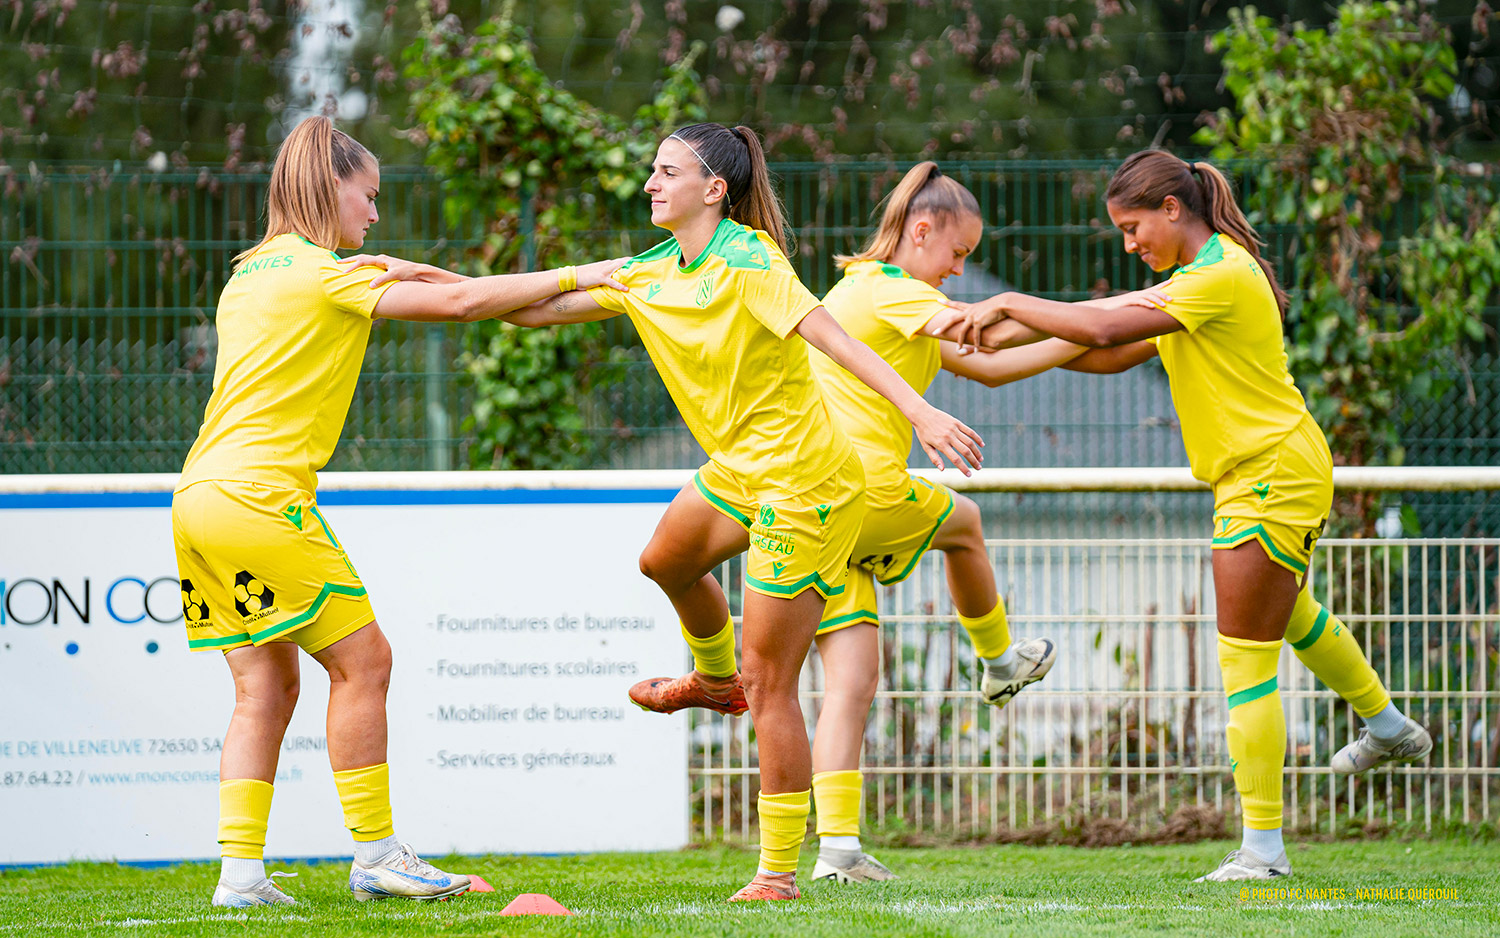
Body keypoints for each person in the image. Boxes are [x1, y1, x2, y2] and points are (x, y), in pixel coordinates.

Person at [368, 122, 984, 900]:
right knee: (665, 561)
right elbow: (531, 309)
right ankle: (715, 679)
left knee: (773, 683)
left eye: (666, 171)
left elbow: (833, 339)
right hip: (741, 469)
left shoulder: (751, 259)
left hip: (805, 484)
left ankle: (776, 874)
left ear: (714, 189)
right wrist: (419, 276)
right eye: (653, 170)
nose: (650, 184)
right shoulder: (652, 269)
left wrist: (921, 412)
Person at [173, 115, 627, 907]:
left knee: (263, 689)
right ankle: (378, 856)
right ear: (332, 186)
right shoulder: (324, 275)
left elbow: (449, 294)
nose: (375, 214)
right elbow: (464, 306)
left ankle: (239, 878)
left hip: (197, 498)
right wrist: (592, 270)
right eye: (369, 195)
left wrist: (411, 269)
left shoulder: (252, 272)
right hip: (259, 497)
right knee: (366, 663)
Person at [957, 149, 1431, 882]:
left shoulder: (1219, 274)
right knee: (1292, 616)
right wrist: (985, 346)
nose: (1128, 244)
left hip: (1269, 473)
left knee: (1245, 661)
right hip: (1269, 471)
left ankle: (1263, 852)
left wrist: (1010, 305)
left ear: (1173, 209)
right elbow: (1104, 347)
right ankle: (1389, 726)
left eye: (1133, 227)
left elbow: (1104, 329)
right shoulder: (1194, 280)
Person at [803, 162, 1095, 883]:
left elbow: (987, 367)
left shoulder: (866, 293)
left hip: (813, 509)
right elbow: (981, 332)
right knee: (963, 520)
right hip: (859, 489)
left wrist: (1092, 339)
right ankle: (998, 664)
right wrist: (1109, 318)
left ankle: (837, 851)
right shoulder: (893, 290)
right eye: (957, 253)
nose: (959, 271)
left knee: (851, 684)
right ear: (922, 230)